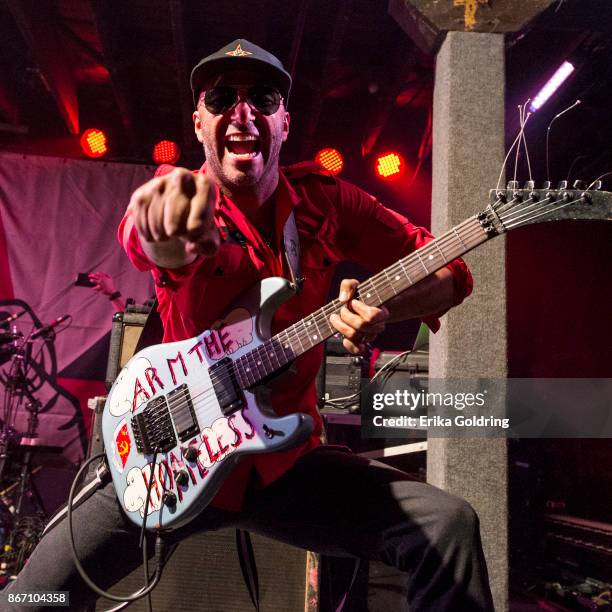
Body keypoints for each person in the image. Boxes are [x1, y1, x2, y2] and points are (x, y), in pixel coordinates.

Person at [5, 39, 493, 611]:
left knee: (447, 526)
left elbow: (450, 271)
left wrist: (388, 311)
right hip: (165, 462)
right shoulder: (188, 199)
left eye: (262, 97)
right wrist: (156, 224)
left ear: (283, 123)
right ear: (198, 122)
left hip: (283, 464)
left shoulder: (328, 202)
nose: (242, 112)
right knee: (30, 601)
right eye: (221, 98)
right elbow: (149, 230)